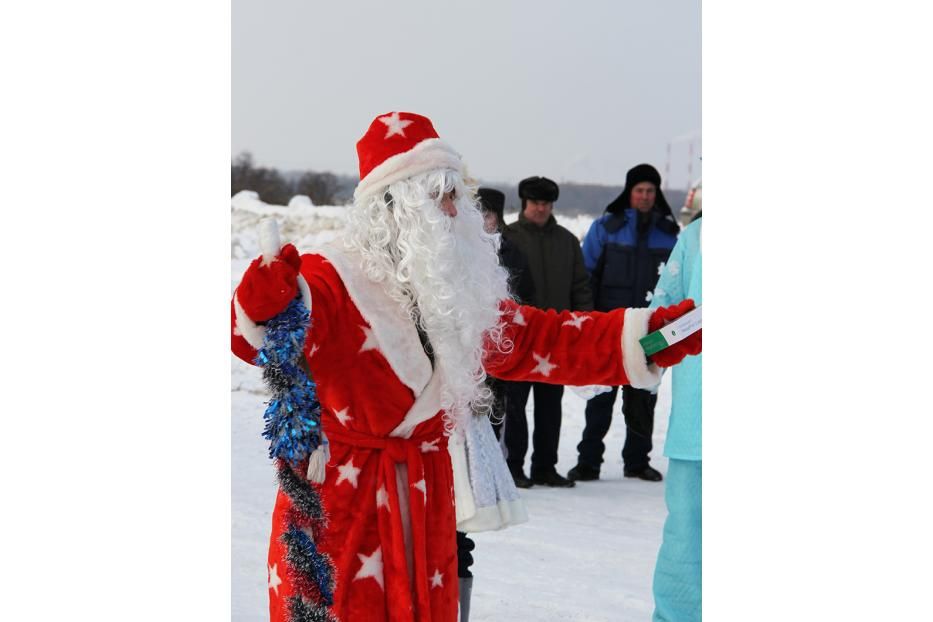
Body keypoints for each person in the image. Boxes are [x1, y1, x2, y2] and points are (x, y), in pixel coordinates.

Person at [230, 111, 699, 622]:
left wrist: (653, 338)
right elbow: (260, 339)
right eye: (443, 197)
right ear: (399, 209)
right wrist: (261, 302)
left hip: (427, 500)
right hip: (347, 507)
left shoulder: (452, 290)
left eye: (457, 195)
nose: (457, 211)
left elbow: (539, 340)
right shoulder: (331, 277)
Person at [568, 164, 679, 483]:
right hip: (610, 329)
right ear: (629, 193)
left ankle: (637, 461)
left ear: (656, 195)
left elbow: (676, 283)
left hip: (652, 332)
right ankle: (588, 461)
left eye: (650, 191)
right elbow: (585, 276)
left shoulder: (669, 234)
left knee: (644, 398)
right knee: (601, 397)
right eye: (639, 190)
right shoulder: (605, 228)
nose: (645, 196)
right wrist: (589, 321)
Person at [501, 176, 593, 488]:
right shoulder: (508, 238)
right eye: (534, 202)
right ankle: (514, 467)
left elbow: (580, 286)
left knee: (550, 408)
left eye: (545, 203)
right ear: (524, 203)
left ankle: (545, 466)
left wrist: (582, 322)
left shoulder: (567, 241)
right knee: (515, 407)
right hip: (519, 340)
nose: (540, 208)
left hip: (556, 339)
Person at [649, 202, 702, 622]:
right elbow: (665, 317)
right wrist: (635, 354)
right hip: (697, 427)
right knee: (686, 548)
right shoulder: (698, 237)